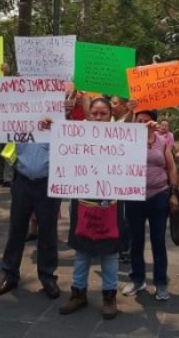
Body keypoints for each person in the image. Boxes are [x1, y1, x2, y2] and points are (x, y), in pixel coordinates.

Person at [58, 98, 126, 320]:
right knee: (82, 250)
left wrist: (134, 115)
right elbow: (61, 137)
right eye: (94, 113)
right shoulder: (77, 134)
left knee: (110, 253)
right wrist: (57, 121)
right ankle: (78, 293)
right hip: (83, 201)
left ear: (110, 115)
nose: (98, 117)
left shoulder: (122, 135)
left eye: (103, 113)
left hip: (111, 203)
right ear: (88, 115)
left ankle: (109, 295)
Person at [0, 125, 62, 298]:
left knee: (48, 231)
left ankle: (47, 277)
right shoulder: (19, 119)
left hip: (48, 182)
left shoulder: (56, 121)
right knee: (16, 229)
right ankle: (10, 274)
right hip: (22, 181)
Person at [123, 110, 179, 301]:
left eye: (148, 120)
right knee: (136, 240)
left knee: (158, 241)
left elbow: (171, 167)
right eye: (140, 121)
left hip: (158, 195)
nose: (144, 123)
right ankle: (137, 279)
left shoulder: (163, 141)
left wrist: (173, 193)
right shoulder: (128, 140)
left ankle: (161, 283)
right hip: (134, 197)